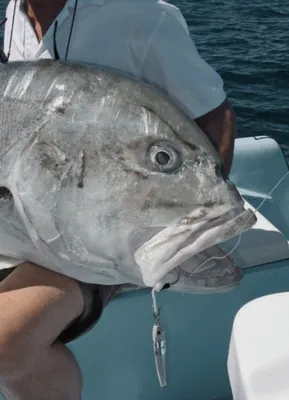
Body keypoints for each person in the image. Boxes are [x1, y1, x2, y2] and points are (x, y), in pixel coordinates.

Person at [0, 0, 237, 399]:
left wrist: (188, 216)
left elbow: (217, 119)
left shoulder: (143, 16)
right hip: (28, 220)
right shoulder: (13, 19)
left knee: (5, 343)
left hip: (86, 239)